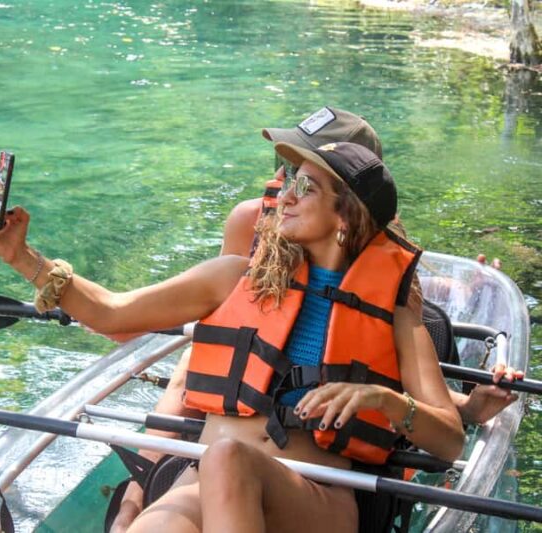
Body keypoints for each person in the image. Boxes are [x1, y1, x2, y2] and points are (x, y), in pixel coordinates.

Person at [0, 140, 465, 533]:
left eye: (307, 187)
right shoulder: (235, 278)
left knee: (231, 458)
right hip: (200, 483)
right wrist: (22, 257)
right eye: (290, 181)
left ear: (346, 215)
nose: (286, 196)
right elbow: (110, 312)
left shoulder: (396, 318)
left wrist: (384, 399)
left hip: (314, 501)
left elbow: (448, 441)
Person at [107, 107, 522, 533]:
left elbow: (374, 371)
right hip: (222, 455)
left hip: (315, 481)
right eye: (289, 168)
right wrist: (137, 491)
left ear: (351, 195)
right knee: (210, 453)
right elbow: (216, 359)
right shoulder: (250, 228)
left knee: (228, 460)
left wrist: (463, 408)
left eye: (307, 176)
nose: (287, 186)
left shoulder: (390, 282)